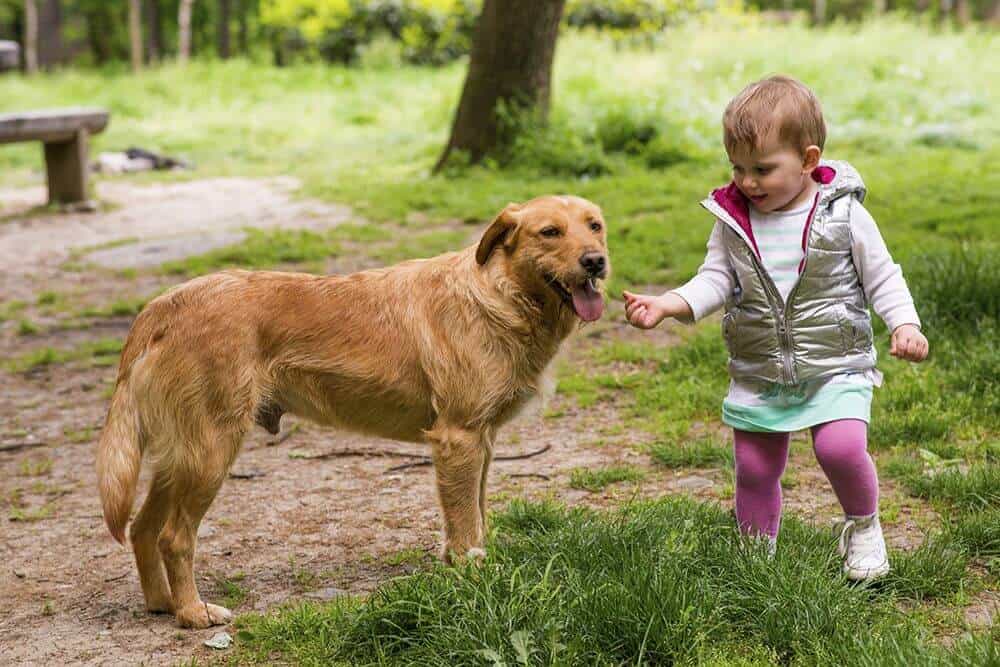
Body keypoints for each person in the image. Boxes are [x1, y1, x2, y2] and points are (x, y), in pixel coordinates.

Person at [623, 75, 928, 580]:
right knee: (757, 468)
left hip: (836, 362)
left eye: (762, 169)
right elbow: (715, 278)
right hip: (762, 367)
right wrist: (670, 305)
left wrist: (904, 323)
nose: (747, 182)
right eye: (737, 168)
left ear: (809, 160)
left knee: (841, 448)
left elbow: (883, 275)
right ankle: (755, 555)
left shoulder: (845, 216)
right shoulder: (734, 221)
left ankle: (864, 526)